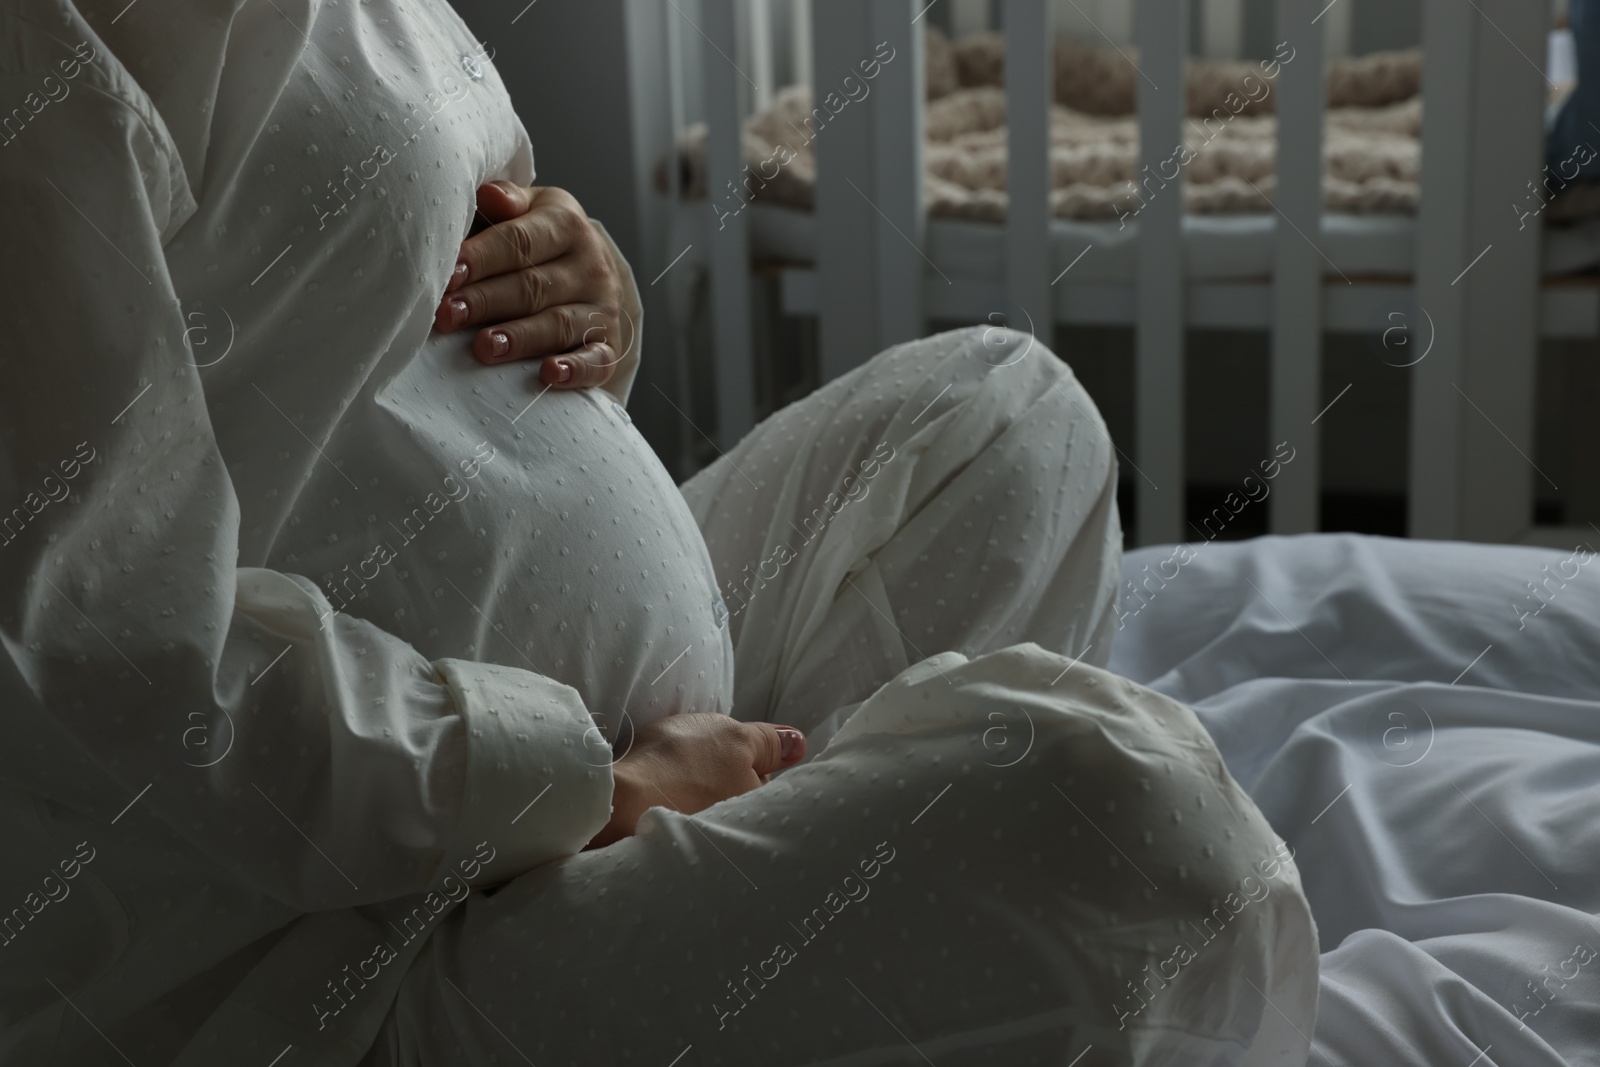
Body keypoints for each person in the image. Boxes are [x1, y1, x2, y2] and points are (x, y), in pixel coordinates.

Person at [0, 0, 1318, 1063]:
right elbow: (95, 647)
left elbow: (386, 357)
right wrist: (585, 782)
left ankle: (768, 914)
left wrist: (592, 300)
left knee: (1009, 416)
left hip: (568, 778)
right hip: (333, 947)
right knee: (1127, 832)